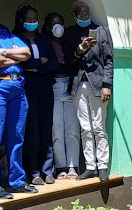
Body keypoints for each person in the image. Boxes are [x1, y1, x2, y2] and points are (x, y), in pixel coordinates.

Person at [64, 1, 114, 181]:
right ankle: (90, 166)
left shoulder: (101, 31)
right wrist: (80, 49)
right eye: (81, 16)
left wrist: (107, 84)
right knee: (85, 128)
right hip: (78, 84)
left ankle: (103, 166)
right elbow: (67, 59)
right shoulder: (70, 33)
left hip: (98, 84)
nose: (85, 18)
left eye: (87, 15)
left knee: (99, 127)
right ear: (75, 16)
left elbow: (108, 59)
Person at [0, 0, 35, 200]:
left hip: (18, 89)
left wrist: (3, 53)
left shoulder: (6, 33)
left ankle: (17, 182)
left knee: (16, 137)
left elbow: (26, 52)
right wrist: (13, 56)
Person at [14, 4, 58, 186]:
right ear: (21, 21)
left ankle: (48, 170)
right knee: (31, 130)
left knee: (46, 126)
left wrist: (35, 66)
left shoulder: (43, 39)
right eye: (28, 20)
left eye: (35, 19)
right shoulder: (15, 38)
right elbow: (21, 64)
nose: (32, 22)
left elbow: (54, 64)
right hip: (27, 88)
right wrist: (39, 62)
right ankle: (33, 172)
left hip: (45, 87)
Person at [44, 12, 79, 179]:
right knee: (57, 131)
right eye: (53, 23)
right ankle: (61, 167)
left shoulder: (68, 40)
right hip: (55, 87)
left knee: (72, 129)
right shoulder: (45, 42)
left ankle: (73, 166)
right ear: (47, 26)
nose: (57, 26)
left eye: (60, 23)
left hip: (70, 86)